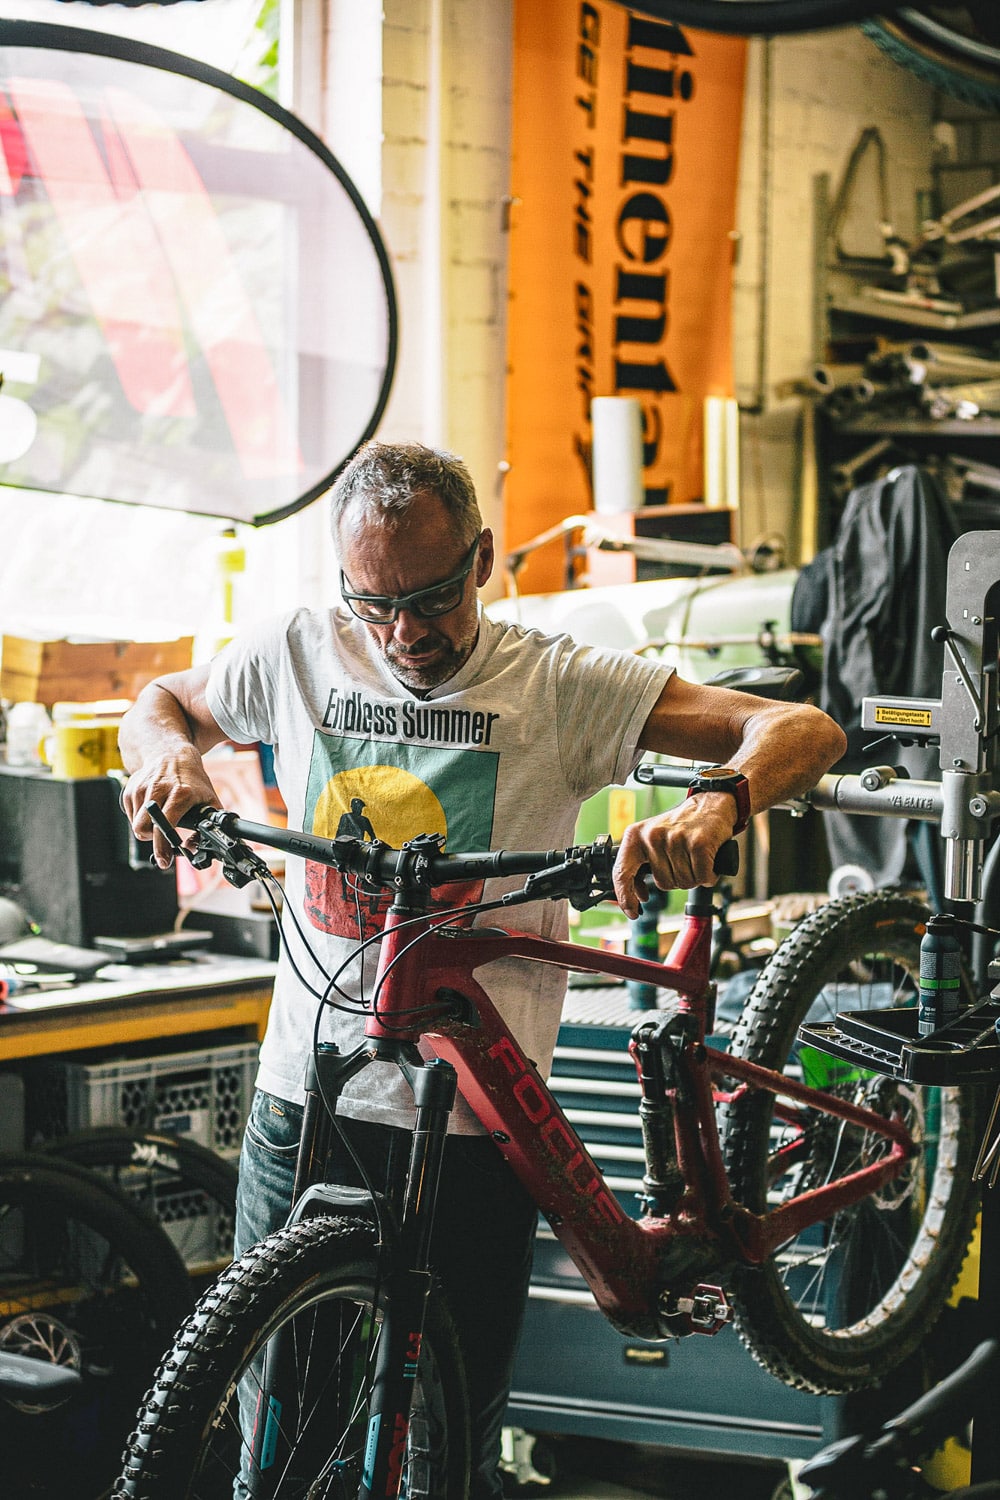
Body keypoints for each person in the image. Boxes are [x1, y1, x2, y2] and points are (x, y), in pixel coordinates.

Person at [119, 440, 846, 1499]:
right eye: (374, 605)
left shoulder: (555, 683)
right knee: (268, 1438)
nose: (403, 634)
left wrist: (715, 799)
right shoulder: (296, 648)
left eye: (429, 597)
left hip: (470, 1126)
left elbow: (800, 727)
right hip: (305, 1099)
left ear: (485, 560)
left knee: (441, 1447)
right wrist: (170, 755)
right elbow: (160, 702)